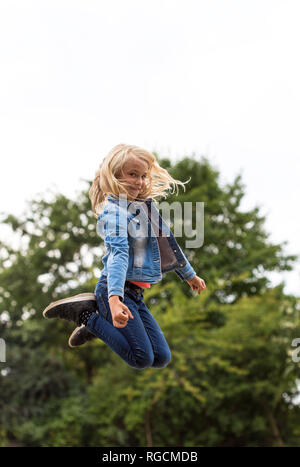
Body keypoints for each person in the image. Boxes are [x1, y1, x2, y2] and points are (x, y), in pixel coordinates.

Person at [42, 144, 206, 370]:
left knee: (161, 358)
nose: (139, 182)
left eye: (142, 176)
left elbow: (168, 244)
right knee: (141, 358)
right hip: (115, 290)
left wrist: (189, 275)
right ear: (115, 176)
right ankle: (87, 316)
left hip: (136, 294)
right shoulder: (114, 214)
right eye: (132, 175)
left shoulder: (145, 208)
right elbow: (118, 256)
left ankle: (97, 323)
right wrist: (114, 299)